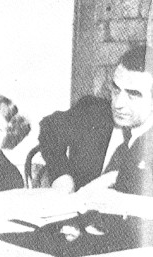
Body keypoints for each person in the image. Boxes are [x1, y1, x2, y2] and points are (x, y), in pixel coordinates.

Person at [39, 44, 153, 196]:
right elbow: (50, 128)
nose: (118, 104)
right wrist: (60, 175)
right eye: (116, 89)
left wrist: (114, 178)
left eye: (133, 95)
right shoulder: (93, 111)